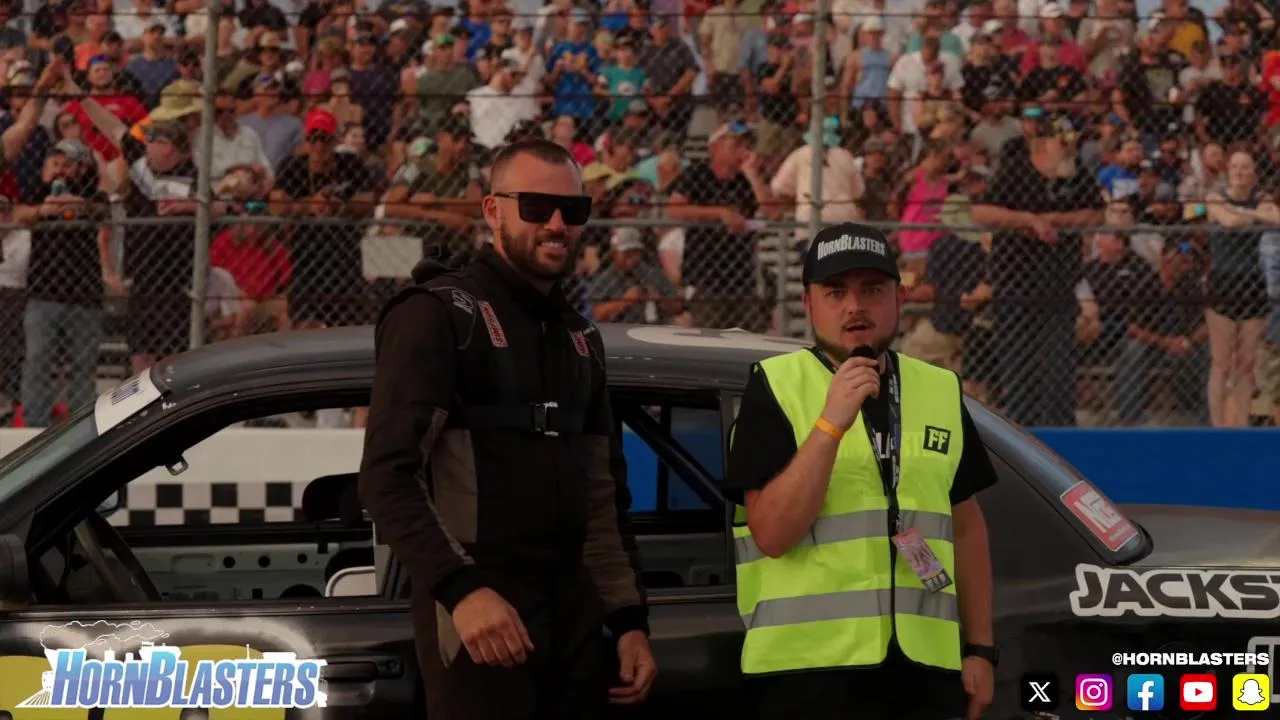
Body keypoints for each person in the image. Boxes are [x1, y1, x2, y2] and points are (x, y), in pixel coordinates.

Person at [358, 138, 657, 719]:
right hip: (479, 619)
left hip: (576, 625)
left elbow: (602, 500)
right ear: (493, 211)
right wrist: (462, 591)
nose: (556, 224)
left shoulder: (580, 338)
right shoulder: (438, 314)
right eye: (537, 207)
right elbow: (387, 479)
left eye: (572, 210)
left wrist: (628, 621)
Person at [723, 221, 998, 720]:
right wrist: (830, 425)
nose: (855, 306)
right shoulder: (775, 387)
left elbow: (966, 525)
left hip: (923, 672)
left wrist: (979, 647)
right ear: (808, 305)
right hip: (808, 672)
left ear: (899, 298)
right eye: (835, 292)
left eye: (872, 290)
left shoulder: (938, 388)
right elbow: (772, 534)